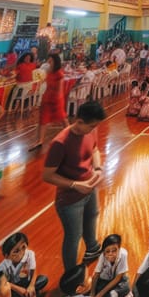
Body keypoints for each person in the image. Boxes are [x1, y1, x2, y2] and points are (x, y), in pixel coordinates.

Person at [42, 101, 105, 270]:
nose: (93, 129)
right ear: (79, 121)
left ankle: (92, 249)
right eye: (91, 126)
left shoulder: (91, 131)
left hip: (90, 188)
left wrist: (97, 168)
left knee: (92, 216)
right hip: (70, 199)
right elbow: (47, 175)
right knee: (73, 236)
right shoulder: (60, 143)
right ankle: (71, 272)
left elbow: (94, 149)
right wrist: (75, 184)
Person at [0, 232, 48, 297]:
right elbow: (3, 283)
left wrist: (31, 285)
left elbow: (33, 269)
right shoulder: (2, 267)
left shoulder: (29, 254)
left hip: (25, 284)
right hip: (12, 290)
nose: (21, 252)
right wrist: (19, 290)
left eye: (23, 247)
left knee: (43, 279)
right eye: (16, 251)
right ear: (7, 256)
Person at [30, 53, 68, 150]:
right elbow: (45, 82)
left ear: (55, 62)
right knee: (43, 120)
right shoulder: (49, 72)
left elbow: (59, 90)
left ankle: (70, 135)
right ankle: (40, 141)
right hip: (47, 98)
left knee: (62, 119)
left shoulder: (59, 74)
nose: (48, 62)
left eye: (50, 61)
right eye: (49, 60)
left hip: (56, 100)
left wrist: (55, 99)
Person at [91, 233, 131, 297]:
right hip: (104, 281)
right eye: (107, 251)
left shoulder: (124, 254)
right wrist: (92, 294)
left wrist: (100, 295)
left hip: (117, 280)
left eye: (114, 250)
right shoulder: (102, 257)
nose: (110, 254)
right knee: (99, 288)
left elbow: (118, 278)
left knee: (126, 286)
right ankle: (115, 294)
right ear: (104, 252)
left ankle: (112, 295)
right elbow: (96, 276)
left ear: (119, 249)